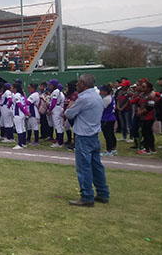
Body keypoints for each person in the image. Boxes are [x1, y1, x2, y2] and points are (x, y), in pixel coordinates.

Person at [64, 74, 109, 207]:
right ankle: (102, 193)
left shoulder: (83, 98)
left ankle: (87, 196)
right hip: (94, 134)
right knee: (97, 166)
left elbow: (69, 113)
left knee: (84, 167)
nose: (76, 85)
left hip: (83, 136)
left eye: (78, 83)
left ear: (83, 84)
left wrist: (70, 107)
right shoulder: (97, 96)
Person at [134, 79, 157, 155]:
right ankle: (150, 148)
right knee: (145, 132)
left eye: (144, 87)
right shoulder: (142, 95)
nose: (142, 88)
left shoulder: (151, 95)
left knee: (147, 132)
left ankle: (148, 149)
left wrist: (141, 112)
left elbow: (150, 107)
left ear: (149, 88)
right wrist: (138, 111)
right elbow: (138, 104)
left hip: (149, 116)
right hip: (142, 117)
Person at [99, 85, 117, 156]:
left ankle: (109, 150)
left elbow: (101, 108)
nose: (100, 92)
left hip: (107, 118)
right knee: (111, 134)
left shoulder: (106, 99)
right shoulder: (111, 97)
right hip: (111, 117)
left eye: (102, 90)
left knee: (108, 135)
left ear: (105, 92)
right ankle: (113, 149)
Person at [48, 79, 65, 147]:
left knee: (58, 126)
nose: (50, 86)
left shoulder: (56, 91)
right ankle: (60, 141)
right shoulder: (58, 91)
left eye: (50, 84)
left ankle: (59, 143)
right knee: (59, 126)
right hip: (58, 108)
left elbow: (54, 102)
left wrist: (50, 110)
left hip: (56, 108)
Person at [11, 82, 28, 150]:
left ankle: (20, 144)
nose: (11, 89)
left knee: (19, 129)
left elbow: (20, 105)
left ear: (15, 88)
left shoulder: (16, 95)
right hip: (22, 114)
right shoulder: (21, 95)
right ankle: (23, 143)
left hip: (18, 113)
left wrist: (26, 112)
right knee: (23, 128)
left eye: (12, 88)